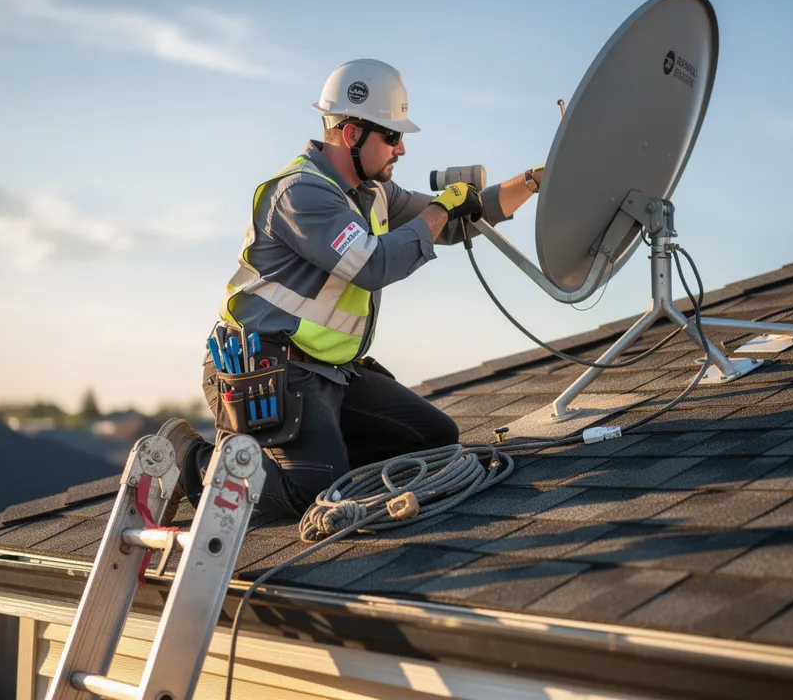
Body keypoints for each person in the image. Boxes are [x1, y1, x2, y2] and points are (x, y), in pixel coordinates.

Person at [158, 59, 544, 519]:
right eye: (393, 136)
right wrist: (442, 207)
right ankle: (186, 456)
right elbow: (373, 263)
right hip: (268, 367)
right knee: (311, 496)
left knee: (434, 438)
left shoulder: (373, 191)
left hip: (328, 371)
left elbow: (455, 222)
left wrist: (536, 181)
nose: (401, 150)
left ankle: (323, 460)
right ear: (350, 133)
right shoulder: (302, 194)